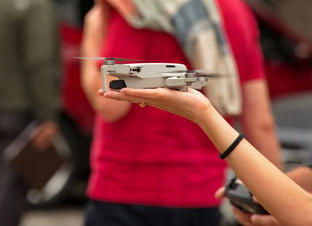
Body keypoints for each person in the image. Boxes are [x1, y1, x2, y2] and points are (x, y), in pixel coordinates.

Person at [80, 0, 282, 225]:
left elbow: (109, 104)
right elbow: (260, 122)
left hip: (127, 194)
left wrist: (91, 34)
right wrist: (279, 204)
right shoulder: (234, 5)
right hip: (203, 196)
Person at [99, 87, 312, 226]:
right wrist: (268, 190)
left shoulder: (113, 20)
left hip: (123, 190)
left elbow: (305, 217)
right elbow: (261, 123)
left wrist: (204, 115)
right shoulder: (238, 21)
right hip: (200, 192)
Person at [0, 0, 60, 225]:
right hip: (24, 108)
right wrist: (47, 115)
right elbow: (39, 63)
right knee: (13, 188)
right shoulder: (37, 4)